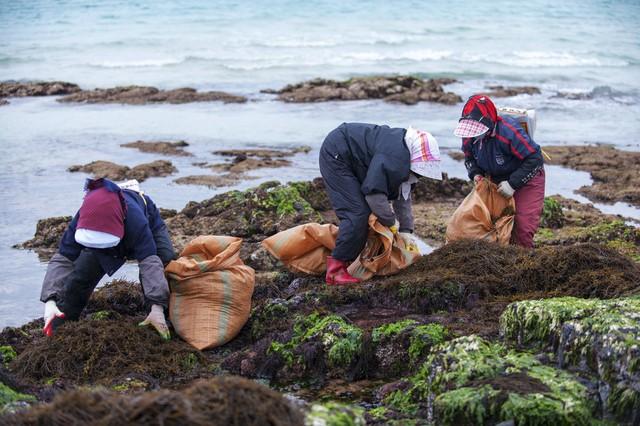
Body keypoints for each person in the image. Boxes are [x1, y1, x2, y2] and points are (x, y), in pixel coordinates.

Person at [40, 178, 176, 339]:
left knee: (165, 262)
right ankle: (58, 328)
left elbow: (149, 263)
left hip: (146, 223)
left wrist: (157, 307)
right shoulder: (83, 216)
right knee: (80, 278)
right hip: (103, 234)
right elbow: (63, 259)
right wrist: (49, 301)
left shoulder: (137, 221)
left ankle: (160, 318)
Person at [319, 122, 442, 285]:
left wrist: (406, 230)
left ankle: (349, 258)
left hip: (356, 160)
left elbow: (402, 196)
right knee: (358, 214)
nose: (419, 174)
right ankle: (335, 270)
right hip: (338, 154)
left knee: (365, 216)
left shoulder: (407, 161)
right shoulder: (394, 157)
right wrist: (392, 223)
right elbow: (374, 195)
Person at [454, 94, 545, 248]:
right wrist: (475, 174)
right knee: (487, 225)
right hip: (494, 178)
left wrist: (513, 184)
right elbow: (469, 158)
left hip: (526, 177)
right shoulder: (469, 135)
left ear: (490, 123)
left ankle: (523, 262)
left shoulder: (508, 132)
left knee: (522, 226)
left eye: (477, 130)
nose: (473, 134)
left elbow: (535, 158)